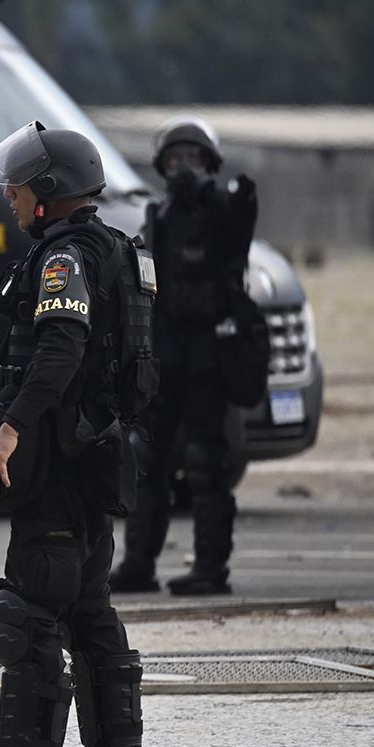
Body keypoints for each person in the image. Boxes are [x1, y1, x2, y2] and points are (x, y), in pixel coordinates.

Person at [0, 122, 153, 747]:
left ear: (50, 192)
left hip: (61, 468)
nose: (9, 195)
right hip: (96, 459)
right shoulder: (118, 250)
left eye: (19, 186)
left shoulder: (64, 258)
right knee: (90, 611)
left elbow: (59, 352)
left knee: (28, 612)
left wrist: (9, 429)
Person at [112, 117, 258, 597]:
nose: (182, 167)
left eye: (192, 158)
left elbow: (243, 217)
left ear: (209, 163)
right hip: (166, 355)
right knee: (147, 459)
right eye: (174, 159)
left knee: (204, 463)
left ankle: (211, 569)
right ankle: (138, 564)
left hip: (210, 359)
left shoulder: (225, 210)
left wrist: (228, 193)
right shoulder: (162, 217)